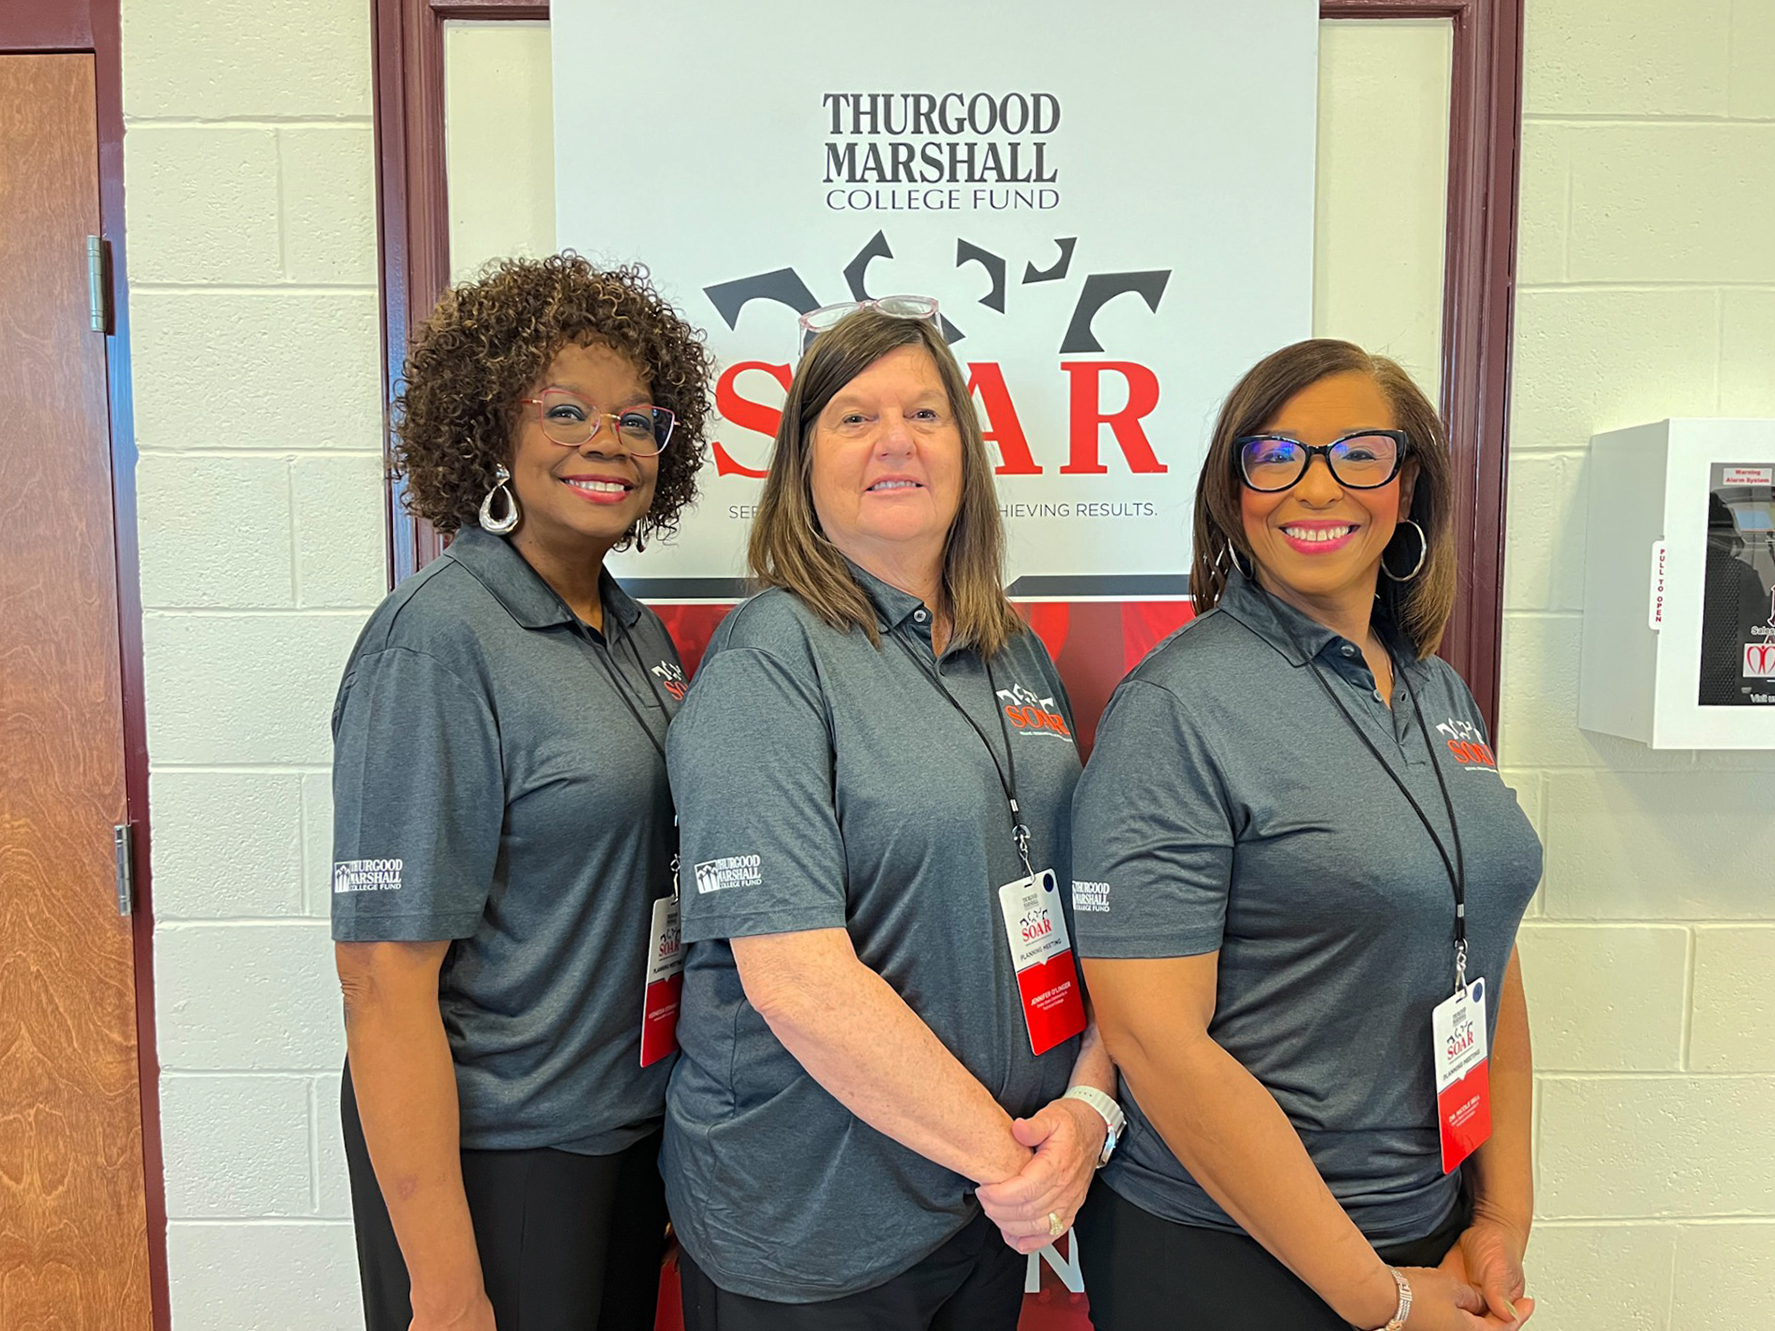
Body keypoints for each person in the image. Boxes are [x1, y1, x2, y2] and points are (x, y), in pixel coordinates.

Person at [661, 302, 1120, 1330]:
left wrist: (1086, 1109)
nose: (896, 440)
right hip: (817, 1226)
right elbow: (795, 978)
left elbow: (1093, 912)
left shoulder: (1014, 653)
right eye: (854, 417)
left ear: (964, 449)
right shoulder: (769, 662)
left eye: (924, 411)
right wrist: (1016, 1166)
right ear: (800, 464)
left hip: (979, 1207)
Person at [1070, 339, 1541, 1331]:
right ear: (1230, 493)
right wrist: (1379, 1298)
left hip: (1424, 1228)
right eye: (1274, 455)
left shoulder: (1435, 690)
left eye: (1357, 453)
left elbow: (1483, 953)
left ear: (1407, 484)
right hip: (1224, 1255)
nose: (1314, 486)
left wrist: (1498, 1209)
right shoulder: (1177, 705)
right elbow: (1155, 1040)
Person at [330, 254, 712, 1331]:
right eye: (565, 408)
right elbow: (379, 980)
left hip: (621, 1138)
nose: (610, 441)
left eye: (640, 420)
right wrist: (445, 1286)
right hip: (494, 1159)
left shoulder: (632, 633)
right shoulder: (438, 641)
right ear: (485, 428)